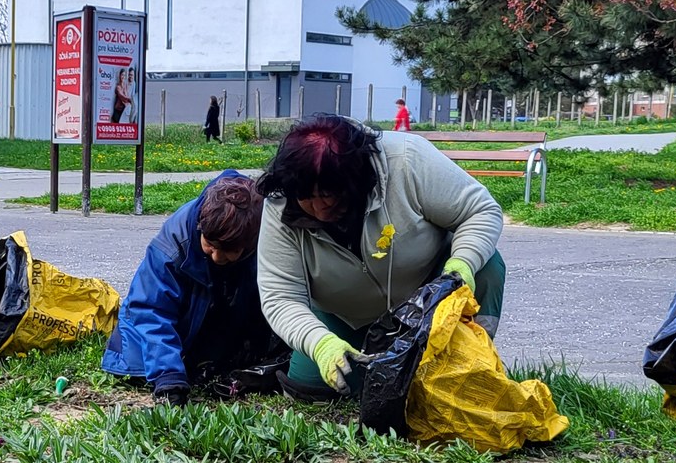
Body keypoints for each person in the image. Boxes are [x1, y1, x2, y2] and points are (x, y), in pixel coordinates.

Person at [255, 114, 508, 400]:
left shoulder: (408, 160)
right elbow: (280, 296)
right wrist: (320, 343)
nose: (319, 209)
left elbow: (481, 211)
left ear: (358, 178)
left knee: (487, 265)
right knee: (315, 389)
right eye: (306, 197)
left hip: (426, 301)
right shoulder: (281, 202)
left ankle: (473, 365)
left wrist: (462, 263)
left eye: (329, 195)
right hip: (343, 316)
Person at [102, 172, 280, 405]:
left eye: (228, 251)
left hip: (217, 324)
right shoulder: (172, 244)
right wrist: (169, 377)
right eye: (210, 245)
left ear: (251, 242)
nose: (217, 257)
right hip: (150, 335)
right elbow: (151, 311)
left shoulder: (268, 234)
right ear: (200, 225)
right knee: (146, 366)